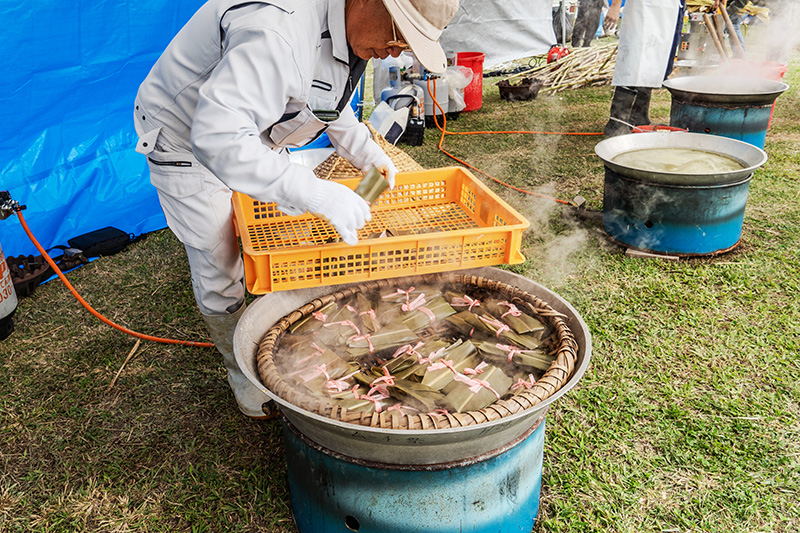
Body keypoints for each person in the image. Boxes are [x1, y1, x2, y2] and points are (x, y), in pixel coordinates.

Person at [133, 0, 459, 419]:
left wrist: (365, 151)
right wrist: (317, 193)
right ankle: (243, 377)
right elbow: (217, 137)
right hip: (185, 137)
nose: (397, 49)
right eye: (398, 31)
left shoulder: (347, 27)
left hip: (255, 130)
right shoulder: (276, 31)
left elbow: (324, 96)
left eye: (408, 43)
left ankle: (289, 340)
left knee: (284, 225)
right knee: (220, 258)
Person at [602, 0, 684, 135]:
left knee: (653, 61)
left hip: (668, 8)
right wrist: (615, 6)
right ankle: (617, 123)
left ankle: (639, 117)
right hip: (643, 7)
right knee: (633, 61)